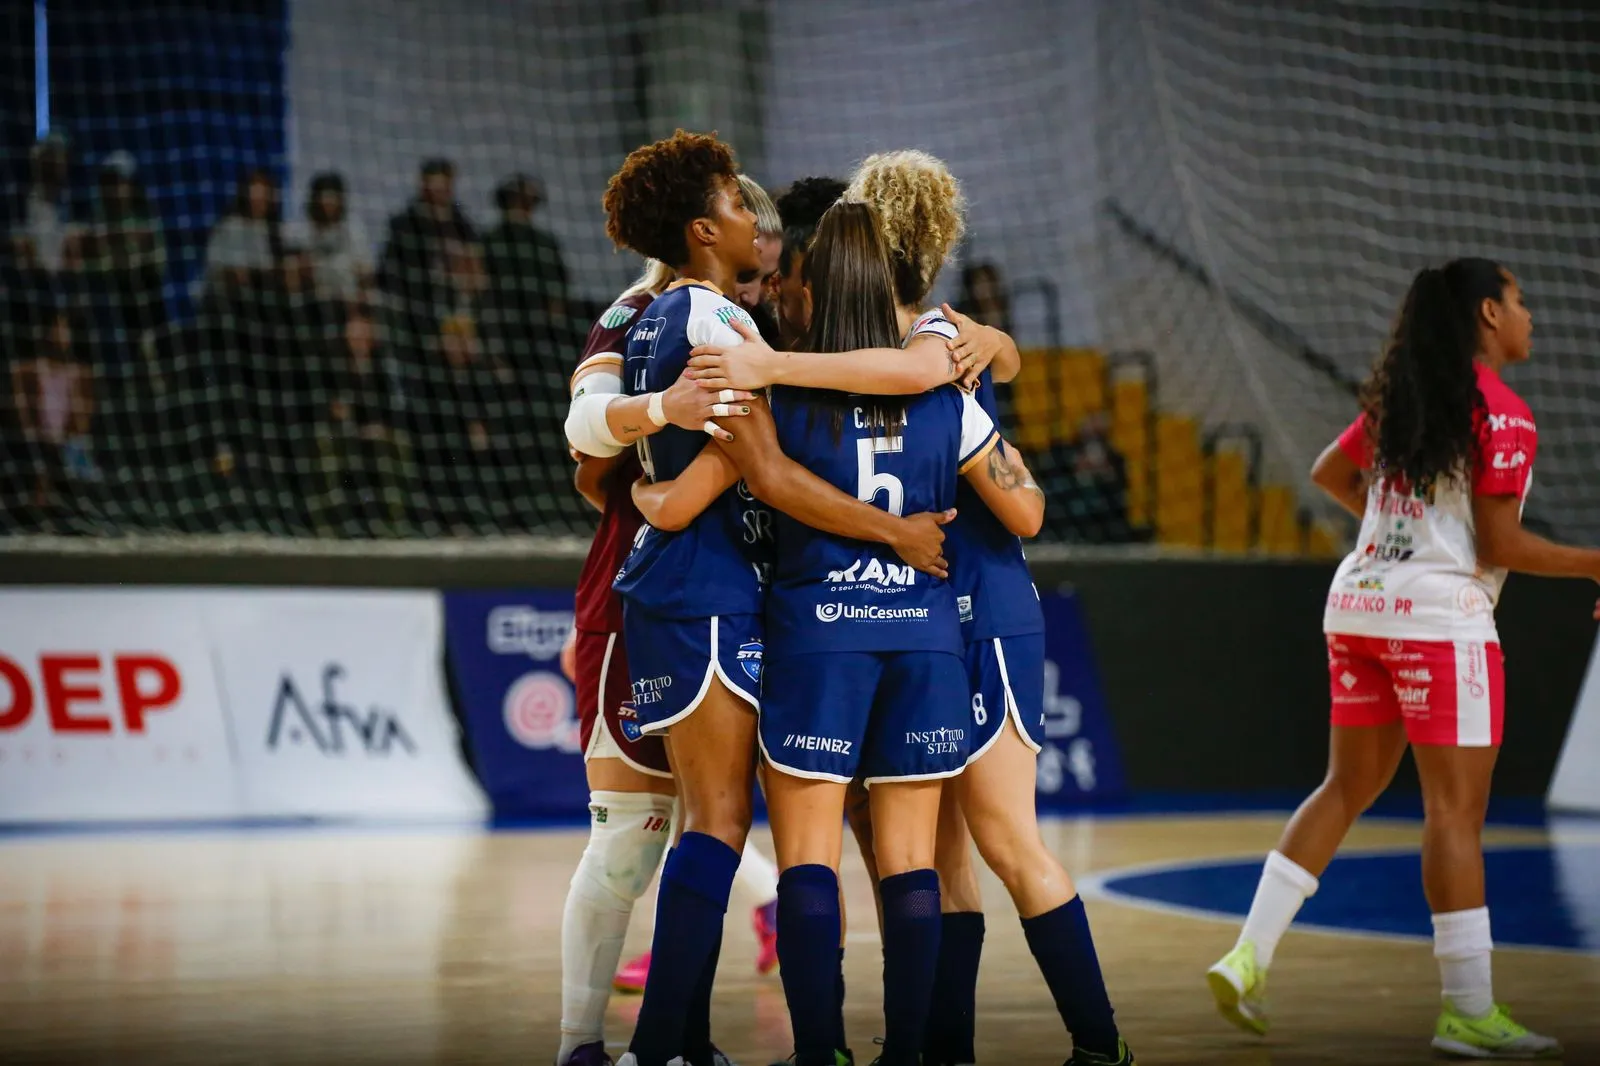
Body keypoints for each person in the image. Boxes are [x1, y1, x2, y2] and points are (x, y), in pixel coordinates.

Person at [569, 132, 952, 1066]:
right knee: (713, 824)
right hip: (704, 590)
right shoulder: (712, 325)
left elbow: (627, 466)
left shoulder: (684, 312)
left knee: (721, 823)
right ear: (706, 231)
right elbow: (752, 475)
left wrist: (652, 477)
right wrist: (895, 530)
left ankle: (683, 1042)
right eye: (739, 208)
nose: (756, 218)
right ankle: (652, 1045)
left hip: (700, 588)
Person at [632, 199, 1041, 1065]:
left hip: (819, 635)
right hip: (924, 638)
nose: (775, 287)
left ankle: (820, 1052)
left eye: (789, 279)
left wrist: (643, 495)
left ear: (811, 292)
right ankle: (917, 1053)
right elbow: (1029, 509)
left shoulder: (777, 382)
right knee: (911, 863)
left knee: (807, 857)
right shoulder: (940, 387)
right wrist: (994, 357)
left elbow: (745, 483)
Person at [1206, 258, 1586, 1060]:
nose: (1529, 316)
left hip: (1359, 603)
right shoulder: (1505, 415)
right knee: (1455, 814)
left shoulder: (1401, 397)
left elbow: (1330, 473)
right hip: (1440, 618)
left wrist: (1400, 546)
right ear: (1488, 313)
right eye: (1519, 302)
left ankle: (1247, 956)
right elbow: (1500, 545)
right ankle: (1469, 1010)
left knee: (1346, 787)